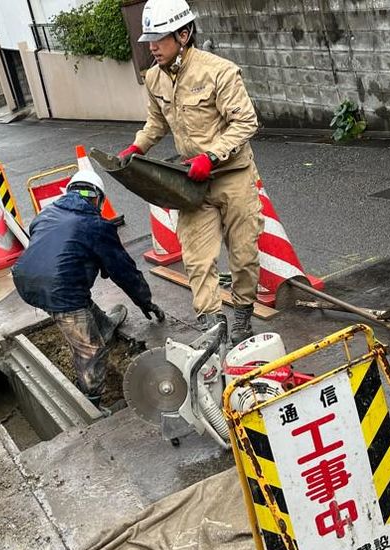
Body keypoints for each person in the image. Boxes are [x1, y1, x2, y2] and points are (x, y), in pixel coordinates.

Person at [118, 0, 262, 345]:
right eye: (148, 40)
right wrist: (137, 147)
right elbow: (156, 122)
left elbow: (246, 121)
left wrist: (211, 156)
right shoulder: (153, 78)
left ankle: (242, 319)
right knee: (197, 261)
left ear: (184, 34)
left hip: (232, 175)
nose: (151, 47)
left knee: (243, 255)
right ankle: (214, 327)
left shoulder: (219, 71)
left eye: (159, 38)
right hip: (190, 184)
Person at [12, 170, 164, 408]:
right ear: (98, 199)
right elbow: (124, 271)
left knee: (74, 296)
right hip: (60, 291)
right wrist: (145, 301)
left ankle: (104, 326)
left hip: (24, 281)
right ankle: (92, 404)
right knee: (91, 350)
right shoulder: (96, 225)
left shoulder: (46, 213)